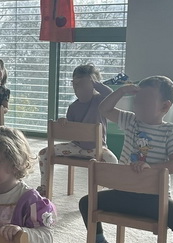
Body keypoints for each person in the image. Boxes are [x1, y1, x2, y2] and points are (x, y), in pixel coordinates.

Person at [78, 75, 173, 243]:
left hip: (154, 199)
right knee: (86, 202)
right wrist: (122, 91)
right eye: (136, 100)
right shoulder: (131, 121)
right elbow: (104, 109)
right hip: (123, 193)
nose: (138, 105)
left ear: (165, 106)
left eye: (145, 101)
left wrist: (152, 168)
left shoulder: (171, 131)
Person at [37, 63, 119, 197]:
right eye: (74, 84)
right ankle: (44, 187)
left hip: (97, 148)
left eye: (82, 84)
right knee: (44, 153)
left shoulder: (100, 101)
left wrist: (96, 84)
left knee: (113, 161)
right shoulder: (73, 107)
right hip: (76, 146)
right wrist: (64, 123)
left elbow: (111, 94)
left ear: (93, 85)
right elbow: (70, 131)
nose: (77, 88)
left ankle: (112, 192)